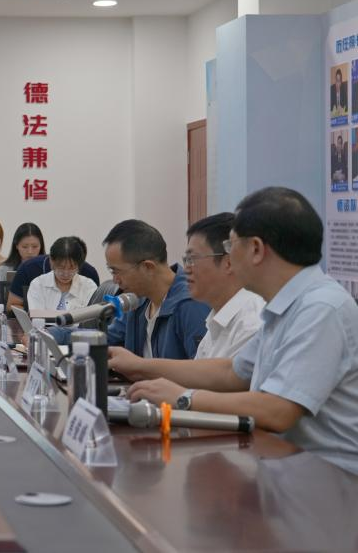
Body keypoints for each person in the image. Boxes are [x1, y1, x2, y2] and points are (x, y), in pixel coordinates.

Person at [119, 187, 358, 474]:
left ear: (256, 249)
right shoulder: (284, 306)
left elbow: (279, 410)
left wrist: (184, 397)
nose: (229, 258)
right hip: (285, 470)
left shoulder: (321, 308)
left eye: (231, 246)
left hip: (331, 482)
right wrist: (141, 367)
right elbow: (232, 372)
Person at [109, 213, 263, 373]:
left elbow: (228, 379)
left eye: (193, 259)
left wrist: (140, 367)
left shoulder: (251, 323)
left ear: (229, 262)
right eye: (186, 260)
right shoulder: (215, 321)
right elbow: (199, 377)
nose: (187, 269)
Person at [99, 219, 210, 359]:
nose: (115, 280)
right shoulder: (138, 301)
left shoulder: (190, 305)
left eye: (116, 271)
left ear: (148, 267)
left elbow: (201, 369)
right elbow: (106, 340)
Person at [0, 222, 46, 307]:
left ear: (41, 246)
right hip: (10, 314)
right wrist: (11, 294)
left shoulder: (48, 268)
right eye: (25, 247)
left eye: (35, 246)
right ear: (17, 246)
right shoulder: (5, 269)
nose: (30, 251)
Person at [26, 236, 98, 315]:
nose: (66, 273)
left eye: (72, 268)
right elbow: (37, 317)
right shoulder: (38, 284)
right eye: (61, 267)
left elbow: (91, 318)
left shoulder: (89, 286)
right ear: (51, 261)